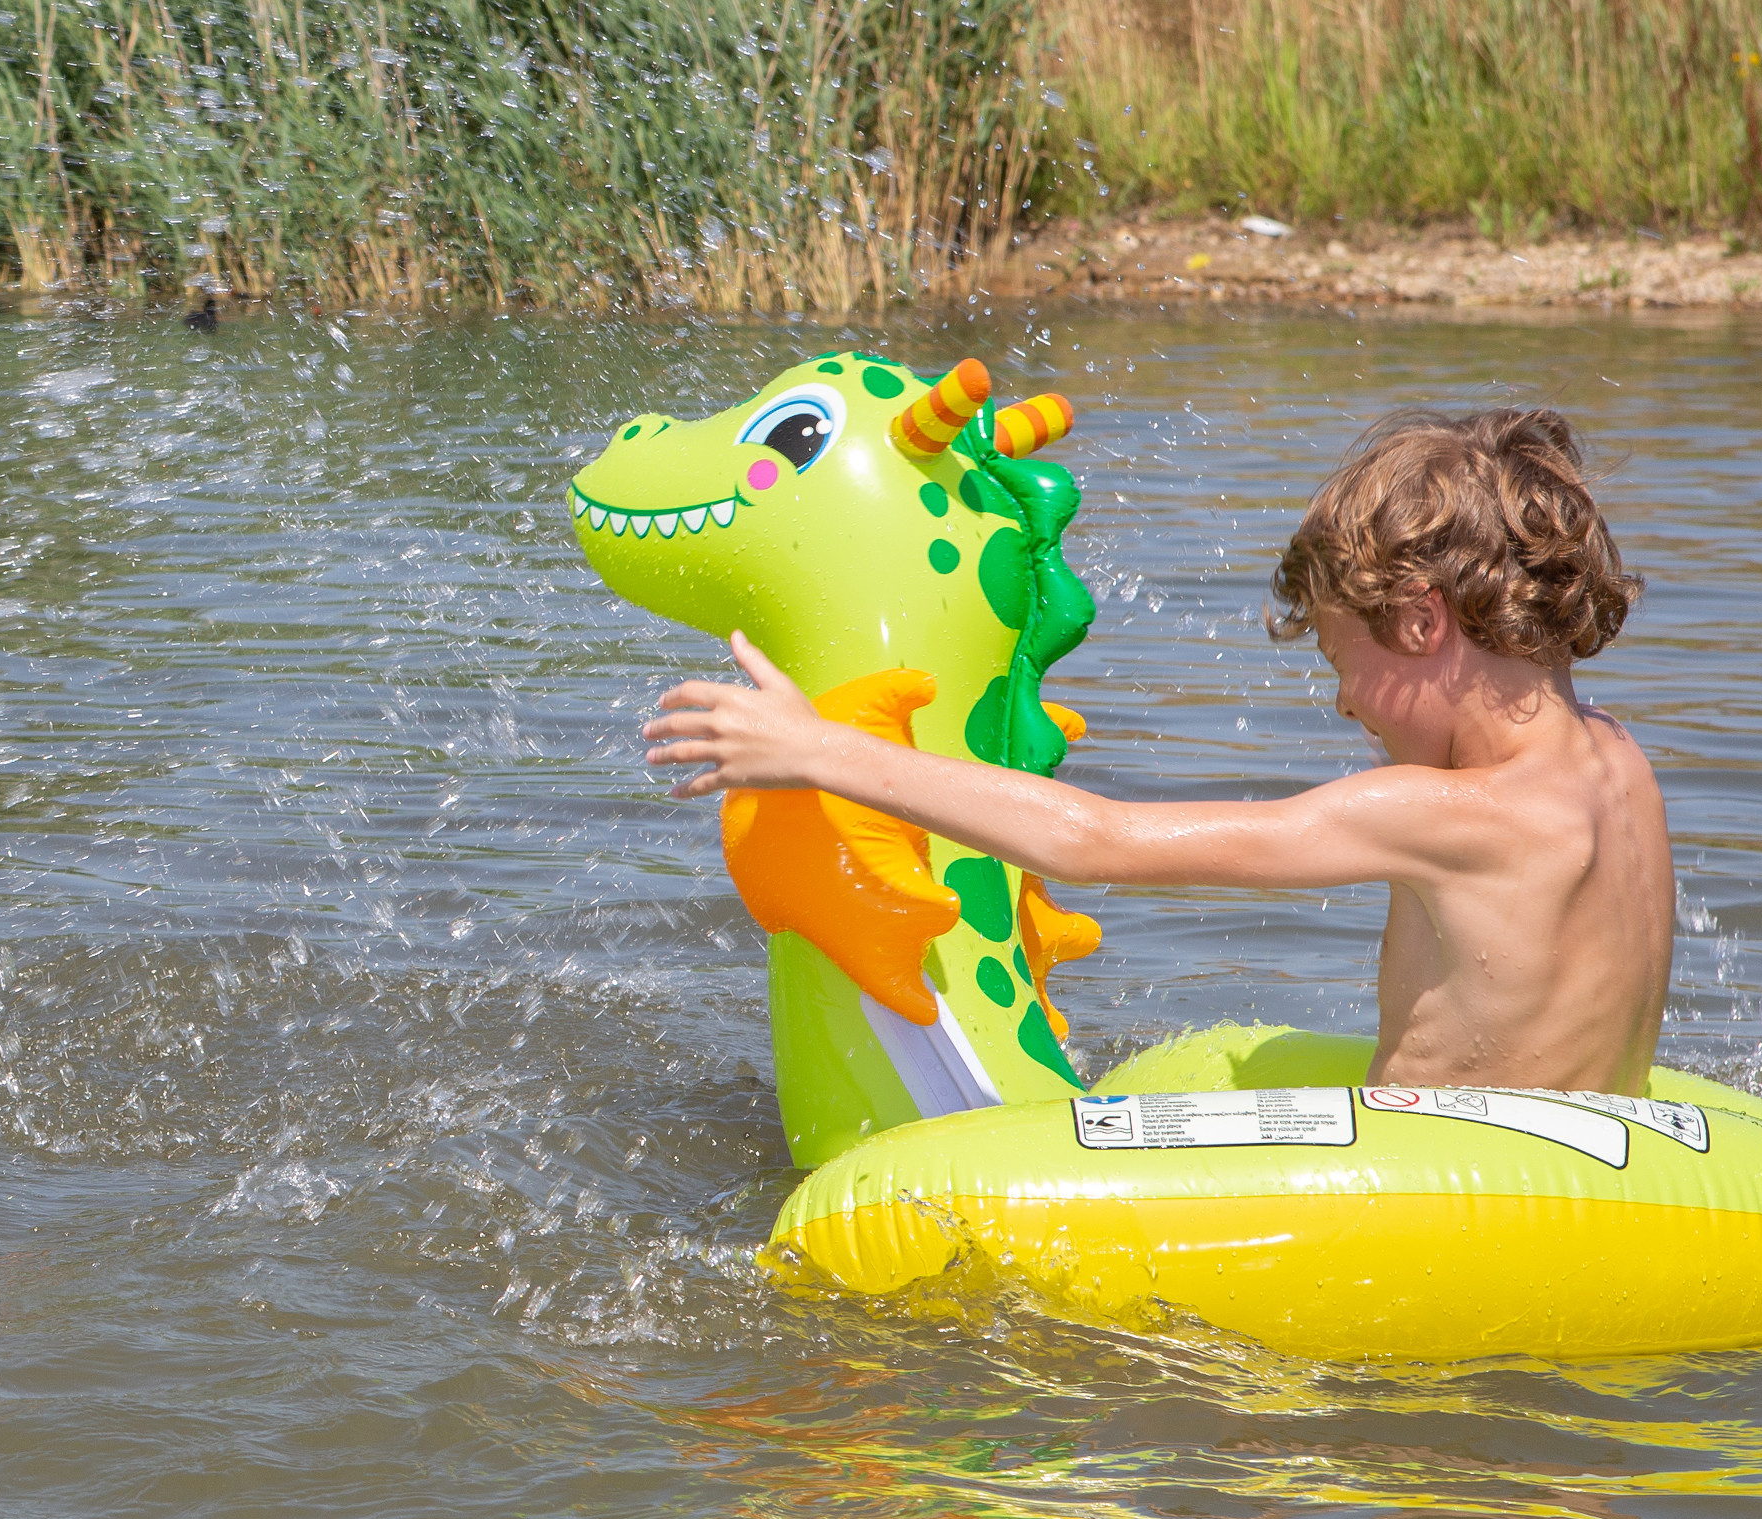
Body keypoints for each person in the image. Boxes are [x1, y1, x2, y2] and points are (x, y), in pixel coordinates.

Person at [642, 408, 1670, 1094]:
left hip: (1449, 1205)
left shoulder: (1443, 813)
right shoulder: (1620, 765)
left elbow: (1100, 842)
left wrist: (818, 750)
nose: (1347, 701)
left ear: (1418, 620)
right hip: (1598, 1183)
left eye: (1336, 654)